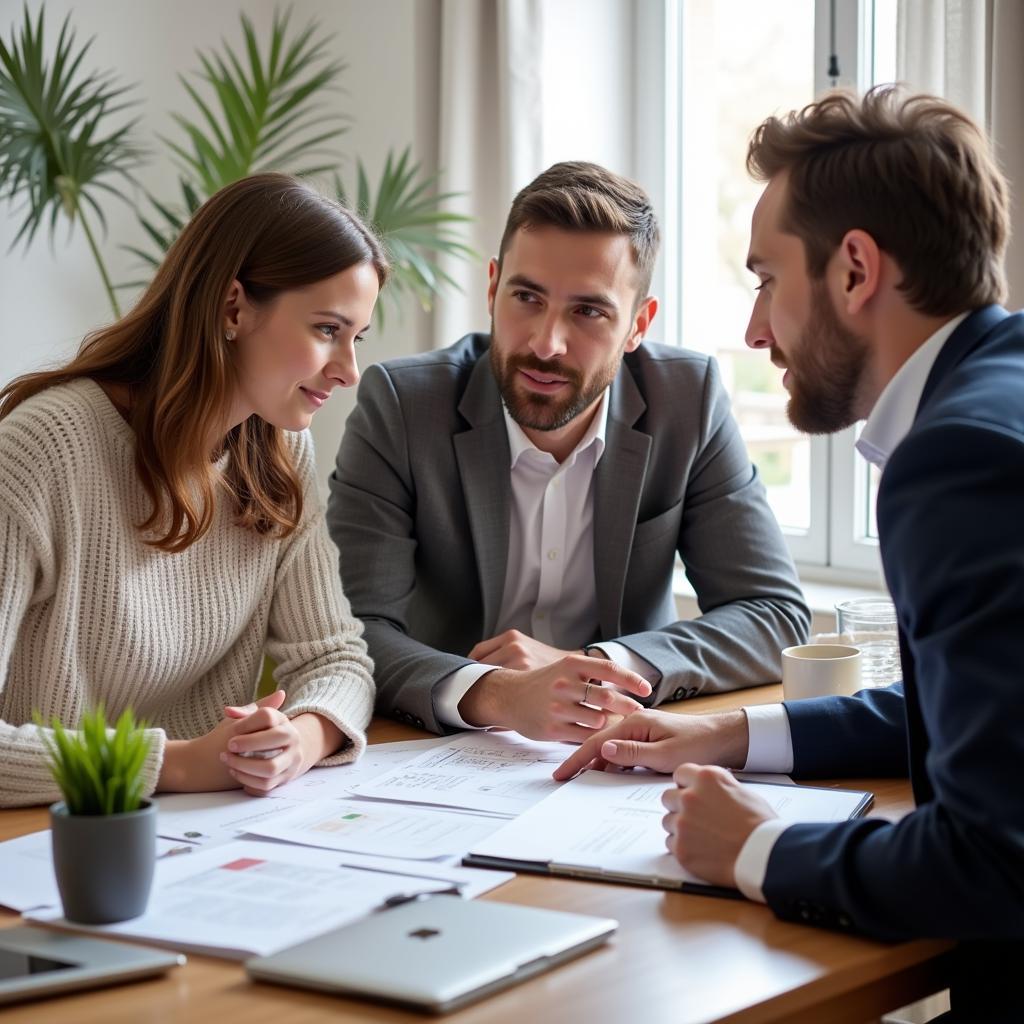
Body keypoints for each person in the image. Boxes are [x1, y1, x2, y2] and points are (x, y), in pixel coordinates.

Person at [555, 87, 1024, 1021]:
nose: (757, 330)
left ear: (855, 269)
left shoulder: (956, 461)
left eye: (766, 278)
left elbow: (992, 857)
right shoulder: (1001, 393)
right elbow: (975, 710)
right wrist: (740, 733)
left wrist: (753, 849)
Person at [327, 161, 809, 742]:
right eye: (526, 297)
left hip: (620, 746)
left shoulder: (688, 400)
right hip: (443, 749)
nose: (545, 343)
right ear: (491, 288)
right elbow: (351, 631)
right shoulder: (403, 407)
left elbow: (772, 614)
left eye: (589, 311)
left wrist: (600, 668)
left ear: (637, 326)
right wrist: (498, 693)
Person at [0, 173, 386, 808]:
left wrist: (302, 738)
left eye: (356, 338)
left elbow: (337, 658)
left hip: (207, 827)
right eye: (326, 330)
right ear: (234, 308)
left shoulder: (280, 451)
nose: (347, 370)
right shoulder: (45, 447)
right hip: (56, 836)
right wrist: (176, 765)